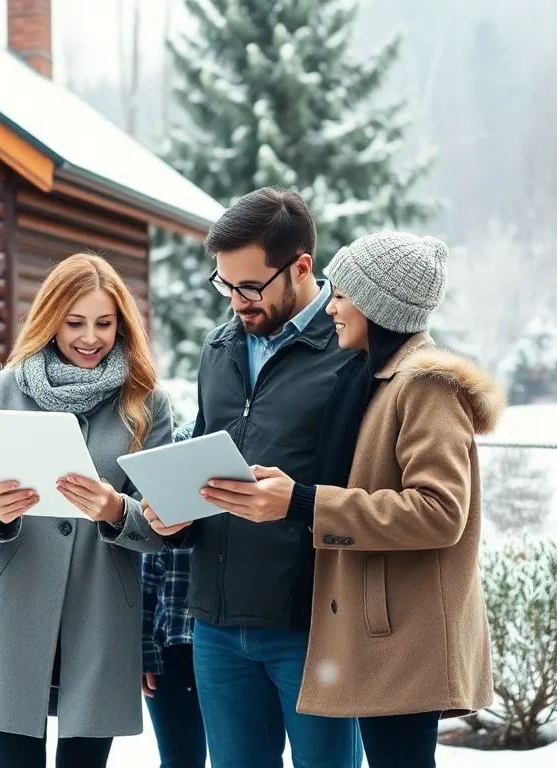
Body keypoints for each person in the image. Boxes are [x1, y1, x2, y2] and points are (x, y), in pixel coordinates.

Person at [205, 231, 502, 767]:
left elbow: (439, 513)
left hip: (405, 636)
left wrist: (302, 502)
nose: (332, 306)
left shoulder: (425, 387)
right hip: (381, 631)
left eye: (342, 295)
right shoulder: (377, 378)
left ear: (377, 305)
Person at [145, 187, 363, 768]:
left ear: (301, 267)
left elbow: (371, 494)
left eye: (249, 286)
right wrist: (173, 515)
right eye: (224, 285)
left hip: (314, 627)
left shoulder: (350, 352)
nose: (236, 301)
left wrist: (295, 505)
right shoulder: (218, 349)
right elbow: (206, 461)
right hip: (216, 626)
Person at [0, 253, 175, 768]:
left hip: (100, 612)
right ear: (50, 320)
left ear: (121, 325)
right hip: (12, 610)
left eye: (103, 322)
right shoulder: (2, 389)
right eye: (74, 322)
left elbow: (164, 526)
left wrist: (118, 510)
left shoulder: (145, 402)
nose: (89, 337)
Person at [140, 420, 208, 768]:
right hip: (175, 643)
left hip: (240, 637)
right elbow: (149, 559)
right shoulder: (176, 448)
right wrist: (145, 647)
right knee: (181, 759)